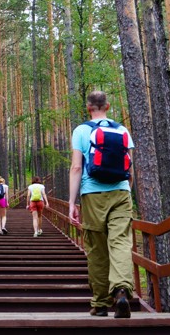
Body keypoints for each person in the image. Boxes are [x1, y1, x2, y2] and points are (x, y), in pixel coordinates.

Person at [68, 90, 134, 319]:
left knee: (97, 250)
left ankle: (100, 304)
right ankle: (122, 290)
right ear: (107, 106)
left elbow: (76, 167)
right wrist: (128, 192)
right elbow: (129, 168)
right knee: (121, 242)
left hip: (92, 194)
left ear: (88, 107)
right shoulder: (122, 130)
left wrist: (71, 203)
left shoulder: (81, 131)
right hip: (120, 192)